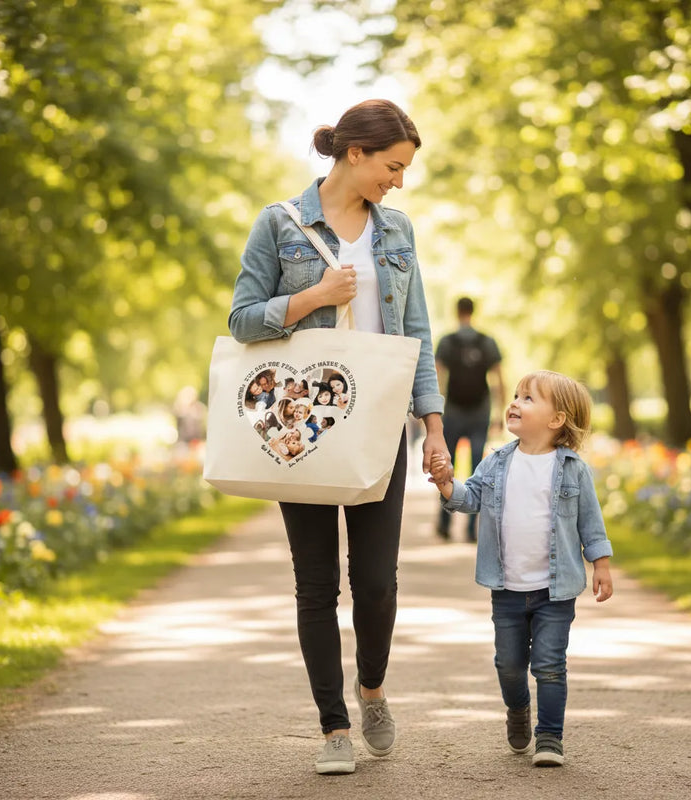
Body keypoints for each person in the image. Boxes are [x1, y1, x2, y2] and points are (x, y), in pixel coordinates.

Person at [228, 99, 451, 776]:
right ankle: (332, 726)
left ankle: (373, 689)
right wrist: (311, 298)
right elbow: (242, 319)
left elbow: (415, 333)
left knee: (377, 583)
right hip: (303, 425)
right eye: (393, 166)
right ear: (355, 154)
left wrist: (434, 428)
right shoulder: (279, 224)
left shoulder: (397, 231)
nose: (399, 181)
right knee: (315, 582)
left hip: (382, 425)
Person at [430, 369, 613, 768]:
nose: (514, 402)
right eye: (515, 395)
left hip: (555, 591)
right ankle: (518, 710)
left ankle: (550, 737)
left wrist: (600, 563)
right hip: (508, 588)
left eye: (528, 398)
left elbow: (591, 522)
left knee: (549, 665)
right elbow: (470, 497)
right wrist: (446, 484)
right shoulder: (496, 462)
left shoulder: (573, 469)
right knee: (509, 666)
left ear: (556, 420)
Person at [435, 296, 505, 542]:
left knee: (445, 467)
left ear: (457, 312)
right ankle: (470, 529)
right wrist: (500, 413)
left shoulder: (447, 341)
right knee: (479, 469)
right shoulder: (486, 342)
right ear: (473, 312)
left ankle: (444, 523)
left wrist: (435, 414)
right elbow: (498, 380)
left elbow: (437, 377)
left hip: (453, 409)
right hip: (479, 411)